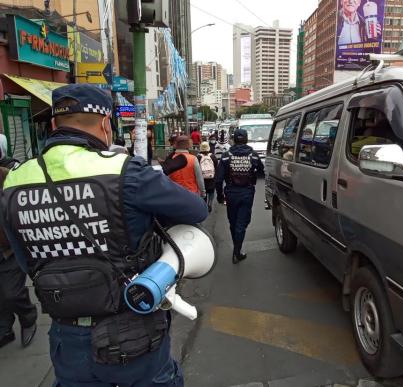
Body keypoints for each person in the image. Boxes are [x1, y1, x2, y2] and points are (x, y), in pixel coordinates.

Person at [1, 84, 208, 386]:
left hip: (67, 338)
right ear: (105, 125)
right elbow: (195, 210)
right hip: (134, 332)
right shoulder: (125, 170)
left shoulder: (14, 181)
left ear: (55, 125)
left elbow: (24, 260)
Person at [0, 138, 37, 349]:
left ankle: (28, 316)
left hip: (8, 247)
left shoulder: (9, 174)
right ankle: (4, 329)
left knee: (12, 292)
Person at [216, 129, 264, 264]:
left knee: (233, 222)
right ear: (247, 139)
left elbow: (218, 179)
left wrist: (220, 196)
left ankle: (237, 249)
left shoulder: (226, 156)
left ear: (234, 139)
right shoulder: (253, 155)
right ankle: (237, 252)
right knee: (242, 223)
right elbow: (261, 171)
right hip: (247, 193)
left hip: (230, 194)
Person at [198, 141, 219, 213]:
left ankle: (204, 205)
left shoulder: (198, 157)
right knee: (211, 191)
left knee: (203, 192)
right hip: (211, 178)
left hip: (202, 178)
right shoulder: (212, 156)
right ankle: (210, 203)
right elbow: (216, 167)